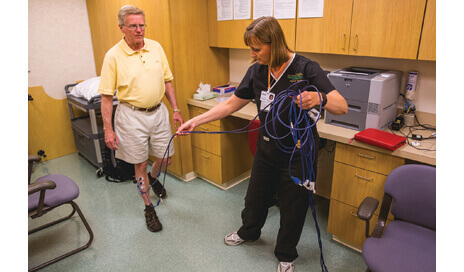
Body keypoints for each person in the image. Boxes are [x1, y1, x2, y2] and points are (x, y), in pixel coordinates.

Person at [176, 17, 347, 271]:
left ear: (274, 43)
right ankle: (249, 232)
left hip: (298, 155)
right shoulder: (257, 71)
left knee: (293, 209)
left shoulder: (306, 68)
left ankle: (286, 253)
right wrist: (196, 121)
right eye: (251, 49)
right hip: (267, 152)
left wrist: (318, 97)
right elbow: (230, 104)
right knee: (254, 199)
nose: (253, 55)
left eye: (257, 49)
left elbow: (341, 106)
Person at [98, 5, 183, 232]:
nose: (139, 30)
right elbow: (106, 97)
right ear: (122, 28)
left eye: (141, 25)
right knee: (140, 164)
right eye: (133, 26)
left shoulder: (155, 47)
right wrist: (108, 129)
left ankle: (153, 178)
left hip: (158, 112)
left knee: (166, 158)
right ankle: (148, 207)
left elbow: (167, 81)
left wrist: (175, 108)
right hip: (131, 116)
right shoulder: (113, 56)